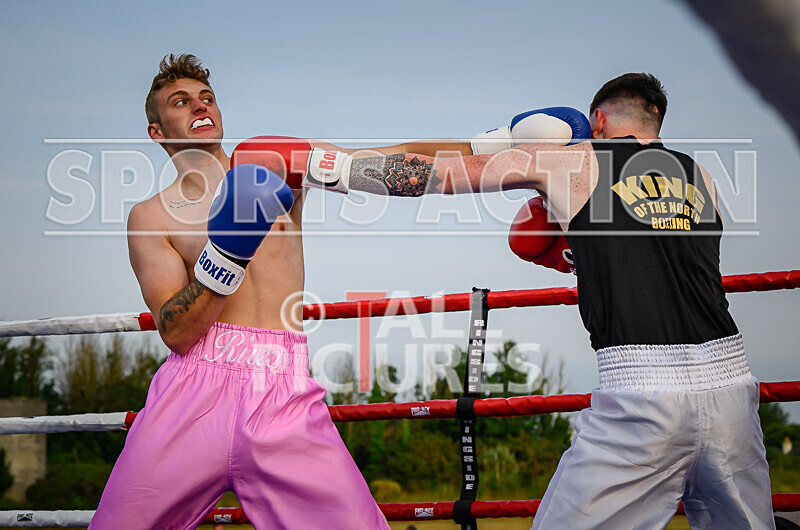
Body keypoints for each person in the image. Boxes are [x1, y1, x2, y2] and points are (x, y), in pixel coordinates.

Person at [337, 73, 773, 529]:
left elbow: (429, 174)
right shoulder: (702, 176)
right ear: (655, 122)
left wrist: (329, 167)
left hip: (643, 395)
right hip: (732, 387)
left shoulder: (571, 162)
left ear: (597, 120)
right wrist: (581, 252)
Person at [91, 53, 468, 529]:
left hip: (281, 388)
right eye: (181, 102)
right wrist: (225, 259)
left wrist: (498, 146)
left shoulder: (274, 163)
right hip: (190, 394)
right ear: (157, 131)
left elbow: (384, 164)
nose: (200, 107)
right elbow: (177, 332)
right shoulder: (150, 217)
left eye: (207, 98)